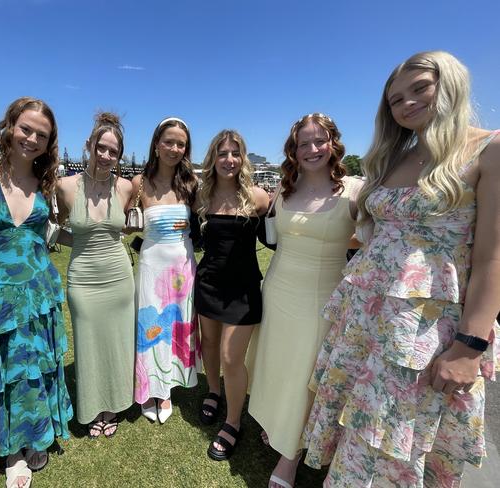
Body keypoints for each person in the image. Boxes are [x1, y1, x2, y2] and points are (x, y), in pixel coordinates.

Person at [302, 51, 500, 486]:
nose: (406, 103)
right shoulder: (393, 158)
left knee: (398, 440)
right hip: (365, 318)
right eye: (395, 99)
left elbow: (491, 258)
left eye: (419, 88)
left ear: (449, 83)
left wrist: (469, 347)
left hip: (425, 331)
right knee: (356, 430)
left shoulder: (490, 148)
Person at [246, 113, 362, 488]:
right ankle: (280, 426)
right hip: (277, 289)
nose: (312, 149)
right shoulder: (284, 190)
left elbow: (371, 242)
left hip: (322, 300)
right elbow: (275, 238)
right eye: (303, 143)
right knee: (277, 365)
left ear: (333, 143)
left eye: (319, 141)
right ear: (293, 150)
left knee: (304, 376)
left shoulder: (355, 191)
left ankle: (289, 458)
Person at [0, 97, 73, 488]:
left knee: (38, 362)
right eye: (26, 128)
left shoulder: (47, 181)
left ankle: (38, 433)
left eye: (42, 135)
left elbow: (55, 232)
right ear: (9, 125)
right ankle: (12, 450)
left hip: (40, 287)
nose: (32, 139)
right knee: (6, 368)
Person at [55, 112, 135, 439]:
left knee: (117, 342)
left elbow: (122, 229)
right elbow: (53, 227)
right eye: (100, 147)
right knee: (88, 344)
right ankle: (91, 407)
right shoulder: (64, 186)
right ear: (89, 146)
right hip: (83, 278)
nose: (105, 155)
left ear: (119, 155)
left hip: (118, 277)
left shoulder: (126, 187)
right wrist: (79, 241)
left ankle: (114, 404)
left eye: (112, 151)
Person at [194, 130, 270, 461]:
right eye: (222, 153)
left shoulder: (258, 198)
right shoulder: (200, 197)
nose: (229, 160)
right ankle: (213, 391)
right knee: (209, 345)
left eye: (235, 153)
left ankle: (234, 421)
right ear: (213, 158)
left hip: (243, 289)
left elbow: (278, 240)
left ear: (243, 159)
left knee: (230, 356)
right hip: (208, 284)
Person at [131, 117, 201, 424]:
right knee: (150, 326)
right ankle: (149, 387)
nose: (174, 148)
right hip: (151, 264)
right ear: (156, 145)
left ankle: (168, 388)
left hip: (183, 265)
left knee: (176, 325)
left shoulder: (190, 184)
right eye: (168, 142)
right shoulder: (139, 183)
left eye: (180, 144)